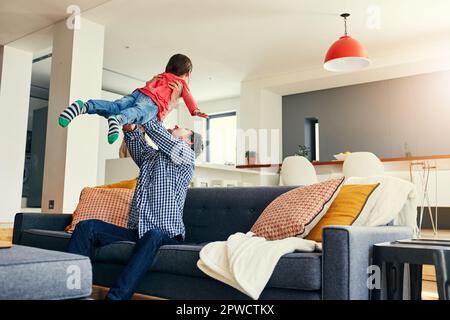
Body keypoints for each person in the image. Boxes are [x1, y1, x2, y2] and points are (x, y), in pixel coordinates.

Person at [67, 117, 204, 300]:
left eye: (184, 128)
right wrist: (130, 127)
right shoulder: (152, 157)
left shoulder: (186, 157)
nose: (178, 125)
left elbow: (160, 135)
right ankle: (72, 294)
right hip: (138, 232)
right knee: (86, 227)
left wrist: (146, 114)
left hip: (166, 235)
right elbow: (135, 142)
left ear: (189, 142)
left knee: (153, 235)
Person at [58, 53, 208, 144]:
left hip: (139, 93)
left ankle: (83, 106)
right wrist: (195, 111)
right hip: (152, 102)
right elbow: (189, 98)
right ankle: (118, 120)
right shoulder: (181, 83)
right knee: (137, 112)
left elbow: (150, 86)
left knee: (115, 106)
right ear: (187, 73)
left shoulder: (161, 75)